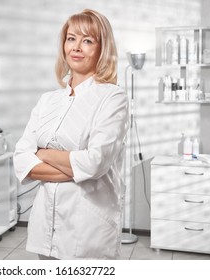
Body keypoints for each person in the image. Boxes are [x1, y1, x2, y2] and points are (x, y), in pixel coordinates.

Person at [13, 9, 128, 260]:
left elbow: (95, 163)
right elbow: (22, 160)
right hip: (46, 225)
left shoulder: (112, 97)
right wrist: (75, 167)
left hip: (88, 229)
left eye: (87, 40)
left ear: (102, 49)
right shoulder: (48, 101)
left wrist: (42, 154)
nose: (77, 47)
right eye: (71, 38)